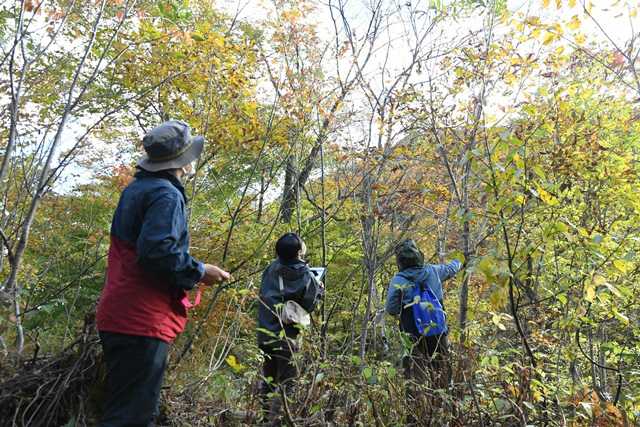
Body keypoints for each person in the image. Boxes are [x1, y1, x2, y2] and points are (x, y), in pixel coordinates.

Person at [96, 120, 232, 426]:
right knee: (131, 417)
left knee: (126, 409)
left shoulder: (136, 189)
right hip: (141, 319)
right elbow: (158, 253)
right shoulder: (166, 195)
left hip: (118, 313)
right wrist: (200, 271)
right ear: (183, 162)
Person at [385, 238, 461, 422]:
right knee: (443, 373)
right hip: (438, 332)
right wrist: (462, 259)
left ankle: (415, 418)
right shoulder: (434, 271)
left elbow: (391, 309)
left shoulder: (398, 280)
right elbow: (453, 268)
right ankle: (446, 415)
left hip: (412, 336)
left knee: (414, 378)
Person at [257, 232, 323, 422]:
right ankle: (275, 423)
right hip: (288, 337)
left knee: (268, 381)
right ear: (299, 251)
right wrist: (319, 290)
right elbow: (309, 306)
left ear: (278, 253)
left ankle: (264, 419)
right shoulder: (306, 275)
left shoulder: (270, 269)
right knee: (288, 384)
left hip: (265, 333)